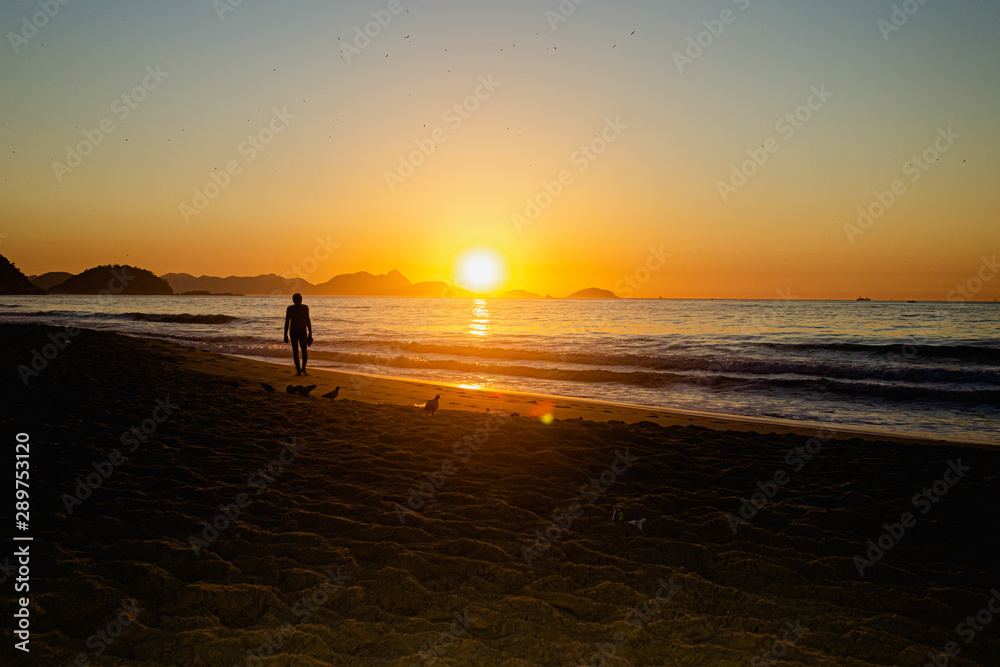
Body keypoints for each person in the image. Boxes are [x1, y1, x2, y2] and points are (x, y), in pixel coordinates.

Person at [284, 293, 313, 376]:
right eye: (297, 299)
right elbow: (287, 322)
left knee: (304, 351)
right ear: (293, 300)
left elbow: (308, 320)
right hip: (293, 332)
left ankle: (303, 369)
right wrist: (285, 335)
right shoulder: (290, 309)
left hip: (303, 332)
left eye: (300, 299)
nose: (299, 301)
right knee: (295, 352)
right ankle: (298, 370)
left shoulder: (305, 307)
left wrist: (310, 333)